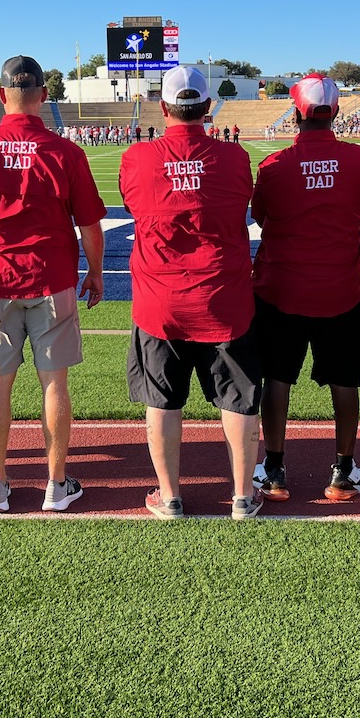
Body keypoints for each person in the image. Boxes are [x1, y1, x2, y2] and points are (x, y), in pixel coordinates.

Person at [0, 55, 106, 514]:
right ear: (43, 96)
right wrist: (95, 272)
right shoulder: (65, 152)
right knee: (54, 383)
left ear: (0, 96)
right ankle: (56, 484)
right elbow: (91, 226)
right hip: (52, 279)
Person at [120, 65, 263, 520]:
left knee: (161, 400)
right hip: (224, 298)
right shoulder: (235, 158)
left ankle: (170, 495)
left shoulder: (137, 159)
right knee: (239, 400)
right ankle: (243, 496)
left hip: (160, 302)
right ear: (207, 108)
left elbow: (133, 205)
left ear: (163, 108)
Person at [249, 74, 360, 503]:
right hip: (342, 289)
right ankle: (343, 471)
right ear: (335, 112)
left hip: (281, 289)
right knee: (345, 383)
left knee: (277, 378)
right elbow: (357, 206)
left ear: (297, 114)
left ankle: (274, 469)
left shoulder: (274, 166)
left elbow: (262, 218)